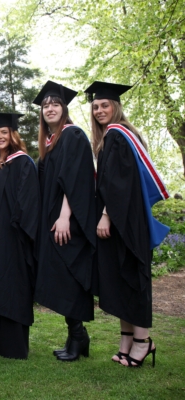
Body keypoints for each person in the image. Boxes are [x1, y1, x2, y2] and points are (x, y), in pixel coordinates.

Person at [85, 81, 169, 368]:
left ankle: (143, 341)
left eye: (104, 105)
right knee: (120, 281)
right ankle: (127, 341)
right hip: (122, 221)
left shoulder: (119, 136)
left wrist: (106, 214)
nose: (99, 110)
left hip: (126, 222)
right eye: (95, 107)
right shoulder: (110, 137)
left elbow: (120, 184)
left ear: (116, 107)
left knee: (133, 278)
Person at [33, 81, 96, 362]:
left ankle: (78, 337)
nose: (50, 108)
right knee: (61, 278)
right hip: (55, 221)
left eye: (55, 104)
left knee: (71, 276)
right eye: (46, 105)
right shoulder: (50, 143)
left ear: (64, 108)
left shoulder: (73, 135)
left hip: (69, 222)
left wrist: (64, 216)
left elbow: (77, 179)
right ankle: (76, 335)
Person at [0, 113, 40, 359]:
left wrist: (19, 231)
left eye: (4, 132)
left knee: (14, 284)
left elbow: (29, 199)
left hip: (14, 235)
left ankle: (15, 346)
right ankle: (2, 344)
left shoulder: (22, 162)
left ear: (13, 134)